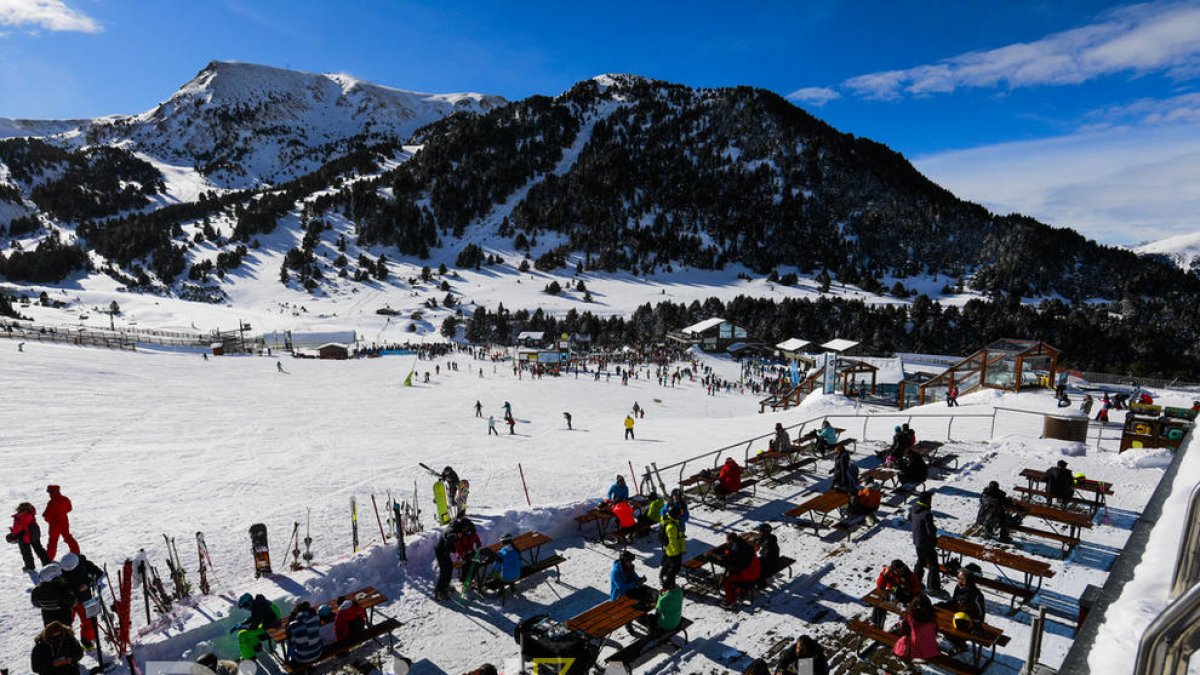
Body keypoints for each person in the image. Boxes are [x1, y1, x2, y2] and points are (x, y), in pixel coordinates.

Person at [59, 553, 102, 650]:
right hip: (68, 601)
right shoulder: (60, 570)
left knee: (90, 621)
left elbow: (98, 573)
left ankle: (86, 640)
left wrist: (88, 584)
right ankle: (67, 645)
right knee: (65, 623)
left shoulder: (84, 563)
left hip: (86, 598)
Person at [714, 532, 761, 608]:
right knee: (734, 574)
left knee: (727, 579)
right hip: (756, 570)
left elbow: (733, 565)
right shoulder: (745, 545)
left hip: (750, 575)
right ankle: (741, 592)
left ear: (730, 540)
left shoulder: (736, 550)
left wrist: (721, 558)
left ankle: (730, 601)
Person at [872, 559, 922, 627]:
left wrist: (909, 591)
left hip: (906, 597)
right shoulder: (888, 572)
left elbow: (918, 588)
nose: (899, 573)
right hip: (893, 593)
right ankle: (876, 623)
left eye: (901, 570)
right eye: (897, 571)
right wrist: (884, 575)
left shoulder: (909, 574)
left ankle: (902, 626)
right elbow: (880, 586)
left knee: (907, 611)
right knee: (879, 604)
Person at [231, 592, 281, 660]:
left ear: (249, 603)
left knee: (242, 634)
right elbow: (254, 617)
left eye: (245, 607)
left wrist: (242, 627)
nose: (246, 609)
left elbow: (253, 627)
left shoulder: (257, 608)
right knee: (253, 630)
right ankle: (257, 648)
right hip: (275, 624)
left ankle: (249, 658)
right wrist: (243, 623)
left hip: (271, 628)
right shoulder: (260, 603)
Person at [892, 593, 941, 662]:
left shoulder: (910, 617)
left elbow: (904, 631)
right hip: (931, 649)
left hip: (916, 650)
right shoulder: (932, 617)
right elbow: (935, 631)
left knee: (904, 639)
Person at [910, 491, 941, 595]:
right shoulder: (927, 514)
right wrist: (934, 530)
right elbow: (930, 531)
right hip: (926, 543)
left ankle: (915, 582)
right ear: (927, 500)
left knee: (921, 561)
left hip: (917, 541)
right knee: (933, 566)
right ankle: (933, 588)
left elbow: (909, 518)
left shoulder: (914, 508)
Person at [30, 563, 76, 629]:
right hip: (64, 618)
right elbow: (72, 602)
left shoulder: (37, 590)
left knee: (50, 635)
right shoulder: (63, 588)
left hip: (47, 618)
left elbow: (35, 603)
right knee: (66, 635)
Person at [9, 501, 50, 571]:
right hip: (34, 533)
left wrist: (12, 531)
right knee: (39, 548)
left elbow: (17, 529)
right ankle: (47, 562)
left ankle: (30, 566)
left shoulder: (19, 517)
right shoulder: (31, 514)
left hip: (24, 536)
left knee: (26, 552)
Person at [43, 485, 79, 561]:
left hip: (54, 524)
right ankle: (76, 553)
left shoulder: (52, 502)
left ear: (53, 492)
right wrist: (62, 513)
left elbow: (47, 515)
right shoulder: (65, 499)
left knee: (52, 542)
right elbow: (69, 508)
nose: (49, 494)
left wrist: (48, 519)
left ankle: (48, 559)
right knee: (68, 537)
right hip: (64, 522)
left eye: (49, 492)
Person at [659, 505, 686, 589]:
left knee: (669, 564)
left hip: (669, 550)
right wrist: (678, 552)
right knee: (675, 568)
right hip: (674, 551)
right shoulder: (671, 526)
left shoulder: (671, 521)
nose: (679, 516)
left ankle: (665, 578)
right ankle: (667, 584)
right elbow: (673, 541)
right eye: (678, 515)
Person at [450, 515, 482, 581]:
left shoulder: (473, 534)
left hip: (471, 553)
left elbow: (478, 541)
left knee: (475, 564)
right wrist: (462, 555)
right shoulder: (460, 536)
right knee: (466, 564)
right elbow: (458, 547)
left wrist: (478, 546)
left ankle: (471, 579)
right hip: (462, 555)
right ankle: (464, 579)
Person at [434, 529, 457, 600]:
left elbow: (452, 548)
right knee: (444, 571)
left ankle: (446, 585)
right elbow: (449, 545)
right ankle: (439, 592)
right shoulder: (451, 535)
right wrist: (455, 549)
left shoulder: (454, 532)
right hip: (441, 551)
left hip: (445, 551)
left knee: (450, 566)